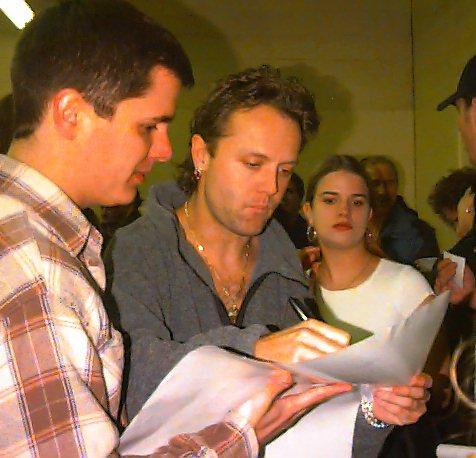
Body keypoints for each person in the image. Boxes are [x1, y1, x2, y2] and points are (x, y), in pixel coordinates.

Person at [0, 1, 335, 456]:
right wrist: (241, 435)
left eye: (284, 169)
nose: (163, 149)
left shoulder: (52, 247)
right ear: (71, 113)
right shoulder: (31, 266)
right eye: (149, 126)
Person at [107, 65, 431, 456]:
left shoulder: (283, 265)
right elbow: (127, 382)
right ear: (202, 155)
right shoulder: (135, 250)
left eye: (285, 170)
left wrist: (373, 409)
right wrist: (254, 350)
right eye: (253, 164)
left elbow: (304, 424)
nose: (271, 187)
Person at [268, 155, 434, 457]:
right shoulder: (290, 288)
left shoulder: (406, 284)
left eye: (356, 202)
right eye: (330, 200)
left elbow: (435, 383)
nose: (344, 211)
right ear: (308, 212)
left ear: (370, 214)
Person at [361, 155, 439, 266]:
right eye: (375, 184)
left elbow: (426, 276)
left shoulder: (420, 232)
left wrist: (382, 259)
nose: (382, 191)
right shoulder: (345, 225)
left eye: (389, 183)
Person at [273, 172, 309, 248]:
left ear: (300, 196)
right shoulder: (269, 228)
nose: (283, 196)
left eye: (289, 191)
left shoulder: (307, 231)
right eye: (279, 191)